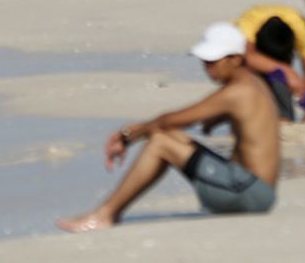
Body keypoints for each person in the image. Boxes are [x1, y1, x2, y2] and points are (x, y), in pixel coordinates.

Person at [57, 21, 281, 230]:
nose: (207, 67)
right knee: (172, 136)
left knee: (160, 142)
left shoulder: (237, 92)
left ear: (236, 59)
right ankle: (108, 213)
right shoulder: (252, 84)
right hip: (254, 190)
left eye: (213, 60)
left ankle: (106, 214)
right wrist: (215, 120)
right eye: (204, 60)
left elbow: (173, 119)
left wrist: (128, 135)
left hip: (247, 193)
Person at [236, 3, 305, 118]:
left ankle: (284, 117)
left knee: (280, 79)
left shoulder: (301, 28)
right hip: (249, 56)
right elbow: (247, 57)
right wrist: (287, 70)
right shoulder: (247, 25)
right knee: (248, 74)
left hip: (279, 48)